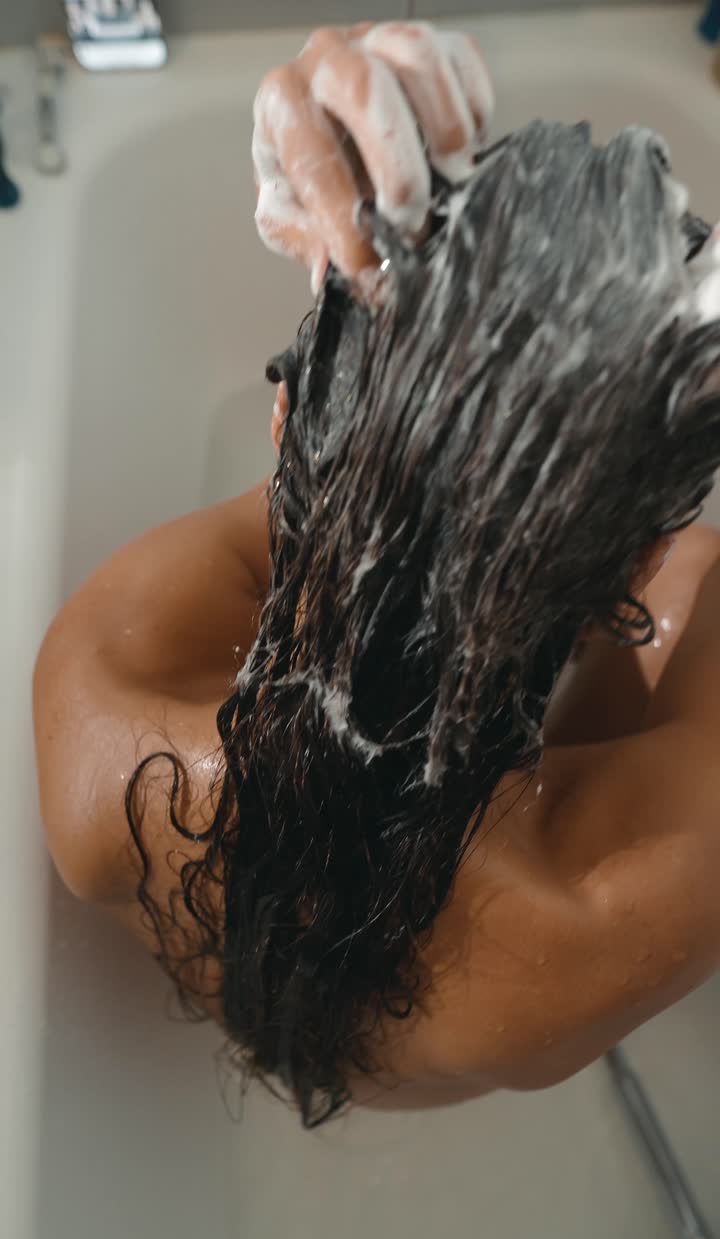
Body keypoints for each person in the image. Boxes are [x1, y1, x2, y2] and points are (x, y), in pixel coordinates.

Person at [34, 22, 720, 1128]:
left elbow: (379, 516)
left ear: (282, 418)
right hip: (501, 1006)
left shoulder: (101, 708)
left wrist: (443, 422)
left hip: (259, 987)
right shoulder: (622, 896)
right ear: (626, 571)